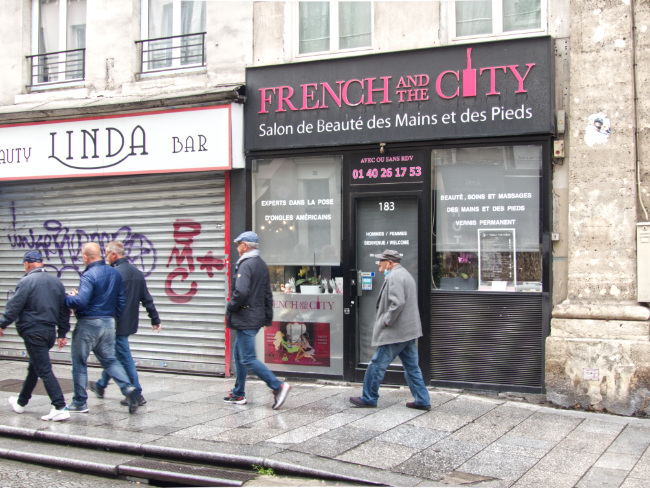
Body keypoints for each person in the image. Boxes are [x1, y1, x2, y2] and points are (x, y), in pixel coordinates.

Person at [350, 249, 431, 410]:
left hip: (396, 332)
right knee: (412, 367)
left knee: (377, 364)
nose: (378, 264)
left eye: (381, 261)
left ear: (390, 263)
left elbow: (397, 303)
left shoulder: (395, 276)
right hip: (407, 331)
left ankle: (369, 397)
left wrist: (386, 320)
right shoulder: (405, 274)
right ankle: (422, 399)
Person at [65, 242, 141, 414]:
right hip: (108, 323)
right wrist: (115, 320)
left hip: (89, 323)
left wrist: (68, 298)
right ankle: (128, 388)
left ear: (85, 257)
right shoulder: (114, 273)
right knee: (110, 360)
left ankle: (79, 402)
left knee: (79, 361)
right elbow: (121, 301)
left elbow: (81, 301)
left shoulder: (89, 275)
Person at [88, 241, 161, 407]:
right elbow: (147, 298)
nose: (106, 258)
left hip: (114, 324)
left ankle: (137, 393)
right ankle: (100, 386)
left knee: (124, 358)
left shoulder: (112, 274)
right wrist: (155, 319)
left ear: (114, 254)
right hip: (128, 323)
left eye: (107, 254)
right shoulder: (137, 273)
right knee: (113, 356)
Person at [0, 250, 71, 422]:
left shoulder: (26, 281)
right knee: (34, 368)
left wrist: (2, 324)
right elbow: (64, 310)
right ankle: (21, 402)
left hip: (33, 332)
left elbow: (14, 306)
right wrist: (62, 333)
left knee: (44, 370)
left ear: (27, 264)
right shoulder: (56, 282)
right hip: (49, 333)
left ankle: (60, 406)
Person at [224, 231, 291, 409]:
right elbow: (267, 294)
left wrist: (230, 306)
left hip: (246, 318)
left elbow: (241, 292)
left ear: (245, 246)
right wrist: (267, 317)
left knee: (247, 358)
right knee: (239, 355)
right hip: (254, 316)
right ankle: (239, 393)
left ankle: (278, 386)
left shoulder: (246, 264)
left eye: (238, 244)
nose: (237, 248)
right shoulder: (261, 264)